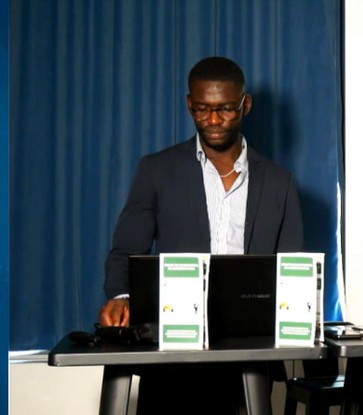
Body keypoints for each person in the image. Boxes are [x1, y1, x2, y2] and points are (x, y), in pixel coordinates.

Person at [98, 56, 304, 414]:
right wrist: (121, 295)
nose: (212, 121)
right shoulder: (156, 170)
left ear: (246, 104)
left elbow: (293, 267)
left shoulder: (278, 181)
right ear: (188, 104)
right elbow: (125, 249)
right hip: (171, 355)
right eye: (202, 110)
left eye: (225, 109)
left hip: (249, 355)